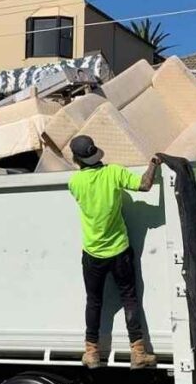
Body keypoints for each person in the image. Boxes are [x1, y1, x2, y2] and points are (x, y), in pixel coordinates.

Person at [67, 135, 159, 369]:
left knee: (94, 301)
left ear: (76, 159)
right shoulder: (114, 173)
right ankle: (138, 352)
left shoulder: (75, 183)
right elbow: (145, 185)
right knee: (129, 298)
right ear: (96, 152)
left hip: (93, 253)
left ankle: (92, 352)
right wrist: (153, 164)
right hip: (119, 250)